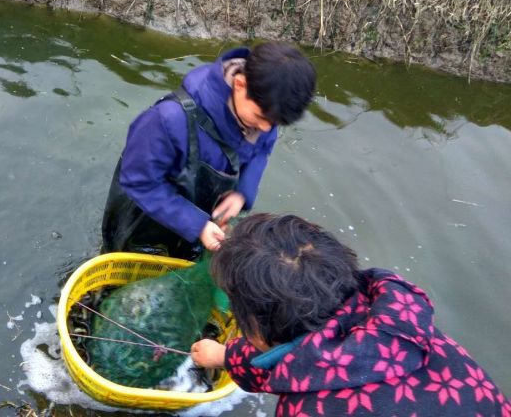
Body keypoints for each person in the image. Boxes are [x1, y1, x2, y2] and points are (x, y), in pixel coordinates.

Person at [191, 213, 511, 416]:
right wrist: (225, 356)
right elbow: (303, 349)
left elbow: (294, 352)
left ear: (258, 330)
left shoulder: (309, 410)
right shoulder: (399, 325)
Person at [102, 42, 316, 260]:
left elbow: (262, 150)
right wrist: (196, 225)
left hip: (199, 223)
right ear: (240, 84)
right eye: (261, 118)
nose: (266, 129)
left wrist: (242, 192)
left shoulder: (268, 109)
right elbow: (138, 181)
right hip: (141, 223)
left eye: (275, 123)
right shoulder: (167, 119)